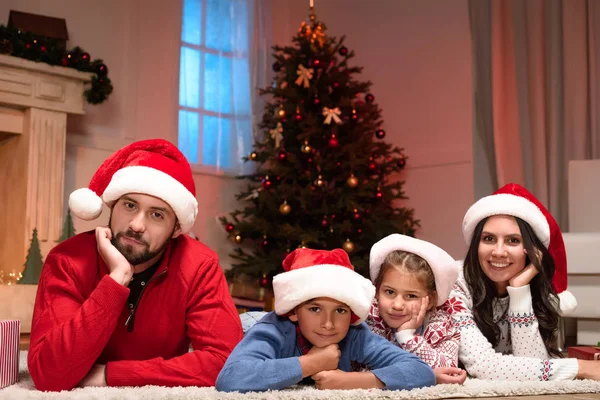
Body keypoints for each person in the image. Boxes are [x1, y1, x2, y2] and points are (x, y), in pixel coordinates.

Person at [28, 139, 243, 391]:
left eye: (156, 214)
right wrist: (117, 279)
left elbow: (227, 363)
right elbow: (48, 373)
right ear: (112, 206)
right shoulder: (67, 260)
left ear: (176, 229)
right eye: (130, 206)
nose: (137, 225)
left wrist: (112, 374)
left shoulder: (199, 266)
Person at [215, 248, 436, 392]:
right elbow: (230, 378)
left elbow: (420, 372)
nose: (328, 324)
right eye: (315, 309)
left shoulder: (354, 333)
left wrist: (354, 381)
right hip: (251, 322)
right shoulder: (273, 329)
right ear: (293, 310)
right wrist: (312, 363)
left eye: (340, 311)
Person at [446, 183, 600, 381]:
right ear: (476, 244)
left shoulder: (531, 287)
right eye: (489, 238)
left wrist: (519, 291)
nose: (499, 251)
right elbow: (483, 366)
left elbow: (533, 362)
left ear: (531, 250)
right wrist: (580, 367)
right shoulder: (454, 283)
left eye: (513, 241)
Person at [366, 234, 466, 384]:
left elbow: (449, 370)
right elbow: (364, 370)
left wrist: (407, 336)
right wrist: (427, 375)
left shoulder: (441, 325)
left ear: (431, 300)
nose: (397, 305)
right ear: (377, 290)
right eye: (390, 292)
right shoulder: (370, 320)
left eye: (411, 295)